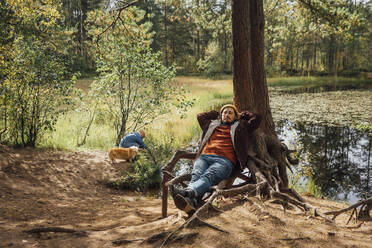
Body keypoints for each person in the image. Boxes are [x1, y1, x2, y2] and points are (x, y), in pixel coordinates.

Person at [170, 104, 261, 214]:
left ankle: (187, 193)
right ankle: (191, 202)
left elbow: (257, 118)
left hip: (224, 161)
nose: (227, 115)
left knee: (209, 175)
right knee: (196, 176)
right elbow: (200, 116)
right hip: (204, 157)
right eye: (224, 113)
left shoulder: (241, 127)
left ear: (235, 116)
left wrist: (242, 114)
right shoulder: (211, 125)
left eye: (230, 113)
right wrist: (217, 113)